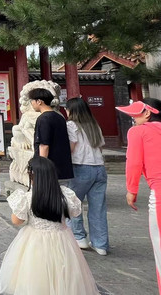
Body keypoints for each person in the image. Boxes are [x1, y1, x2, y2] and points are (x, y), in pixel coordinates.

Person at [0, 156, 99, 295]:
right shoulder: (65, 195)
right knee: (64, 273)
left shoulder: (28, 197)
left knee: (36, 273)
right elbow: (75, 212)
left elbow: (16, 220)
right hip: (63, 239)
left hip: (35, 240)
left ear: (32, 176)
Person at [117, 97, 161, 294]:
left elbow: (133, 162)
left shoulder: (138, 131)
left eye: (135, 114)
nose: (133, 119)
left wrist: (131, 190)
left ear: (147, 113)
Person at [65, 97, 109, 255]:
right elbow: (100, 148)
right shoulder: (94, 125)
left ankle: (79, 237)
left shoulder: (71, 125)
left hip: (80, 167)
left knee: (73, 204)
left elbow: (71, 148)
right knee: (98, 208)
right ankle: (101, 244)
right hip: (99, 168)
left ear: (71, 110)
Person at [29, 87, 74, 182]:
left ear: (39, 101)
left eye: (32, 101)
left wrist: (41, 168)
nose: (31, 103)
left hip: (49, 170)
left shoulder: (43, 119)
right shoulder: (60, 117)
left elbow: (44, 145)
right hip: (62, 167)